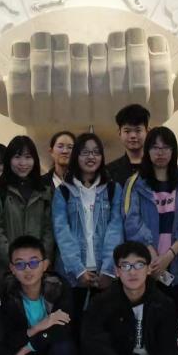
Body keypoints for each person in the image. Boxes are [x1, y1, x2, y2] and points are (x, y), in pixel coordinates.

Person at [52, 132, 124, 328]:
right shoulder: (63, 191)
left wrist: (108, 269)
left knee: (104, 328)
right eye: (85, 152)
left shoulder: (113, 189)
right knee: (73, 328)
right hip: (72, 276)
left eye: (96, 152)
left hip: (104, 274)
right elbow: (62, 232)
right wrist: (78, 270)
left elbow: (116, 229)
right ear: (76, 156)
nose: (91, 157)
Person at [122, 126, 178, 298]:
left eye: (165, 148)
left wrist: (169, 256)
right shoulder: (135, 184)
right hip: (145, 266)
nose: (160, 153)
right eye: (155, 148)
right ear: (147, 151)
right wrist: (151, 254)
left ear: (173, 151)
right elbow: (132, 221)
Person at [0, 135, 55, 288]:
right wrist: (16, 263)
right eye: (17, 157)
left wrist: (40, 261)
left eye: (28, 157)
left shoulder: (44, 191)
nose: (23, 163)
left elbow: (49, 229)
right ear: (9, 160)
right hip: (5, 272)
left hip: (36, 271)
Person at [106, 103, 150, 184]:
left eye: (138, 130)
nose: (133, 135)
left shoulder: (158, 168)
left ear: (147, 132)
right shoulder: (109, 172)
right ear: (119, 133)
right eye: (127, 131)